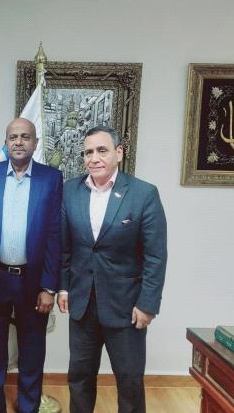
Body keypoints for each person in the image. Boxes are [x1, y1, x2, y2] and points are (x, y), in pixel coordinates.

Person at [58, 126, 167, 413]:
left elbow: (155, 256)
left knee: (129, 382)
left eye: (102, 150)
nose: (94, 158)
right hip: (82, 304)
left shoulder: (143, 194)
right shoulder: (70, 191)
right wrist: (64, 286)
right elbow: (64, 247)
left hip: (126, 307)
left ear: (118, 153)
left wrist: (148, 304)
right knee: (79, 378)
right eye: (88, 152)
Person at [0, 118, 62, 413]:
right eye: (13, 137)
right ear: (6, 143)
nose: (18, 142)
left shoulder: (51, 178)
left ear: (35, 143)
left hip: (33, 282)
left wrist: (49, 286)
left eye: (25, 137)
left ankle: (28, 407)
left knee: (32, 351)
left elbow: (55, 235)